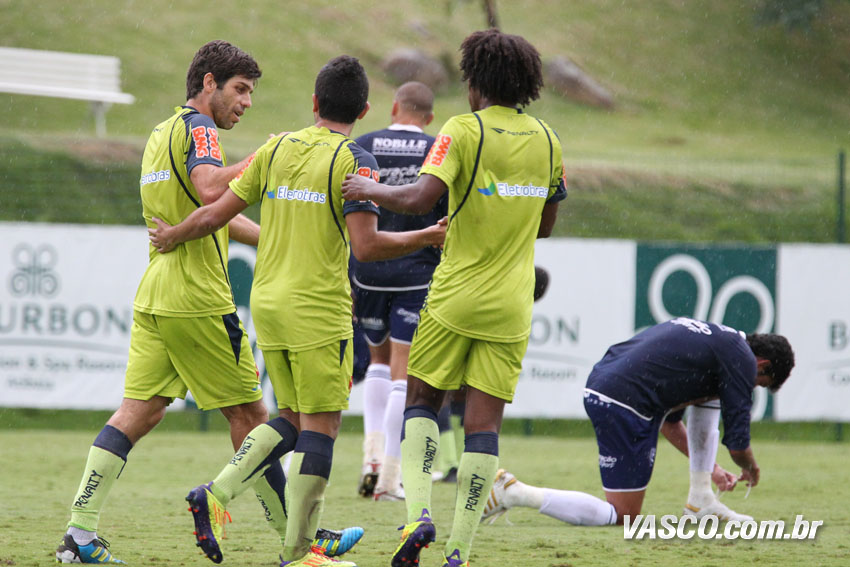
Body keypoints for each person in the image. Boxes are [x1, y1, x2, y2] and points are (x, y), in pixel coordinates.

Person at [148, 55, 446, 567]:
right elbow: (366, 246)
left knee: (289, 417)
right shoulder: (356, 161)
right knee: (320, 429)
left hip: (269, 305)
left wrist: (174, 234)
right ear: (365, 110)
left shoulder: (277, 147)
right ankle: (298, 552)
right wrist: (427, 236)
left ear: (314, 102)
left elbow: (216, 212)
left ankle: (215, 494)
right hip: (318, 309)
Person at [341, 29, 566, 567]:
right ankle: (460, 549)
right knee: (483, 427)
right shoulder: (548, 139)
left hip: (455, 294)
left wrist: (370, 189)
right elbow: (546, 225)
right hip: (512, 303)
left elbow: (421, 197)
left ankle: (418, 515)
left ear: (476, 83)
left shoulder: (464, 129)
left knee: (421, 400)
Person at [481, 317, 795, 527]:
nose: (752, 386)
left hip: (606, 386)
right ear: (762, 364)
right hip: (623, 402)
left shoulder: (720, 345)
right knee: (623, 516)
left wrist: (710, 470)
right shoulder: (741, 360)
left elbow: (671, 424)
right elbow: (738, 443)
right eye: (760, 382)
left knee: (709, 402)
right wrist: (749, 467)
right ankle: (514, 492)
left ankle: (700, 500)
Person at [351, 81, 449, 502]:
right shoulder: (437, 149)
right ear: (429, 117)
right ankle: (390, 478)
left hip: (368, 268)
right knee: (402, 372)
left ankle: (371, 460)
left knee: (377, 360)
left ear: (394, 108)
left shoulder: (363, 145)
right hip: (417, 271)